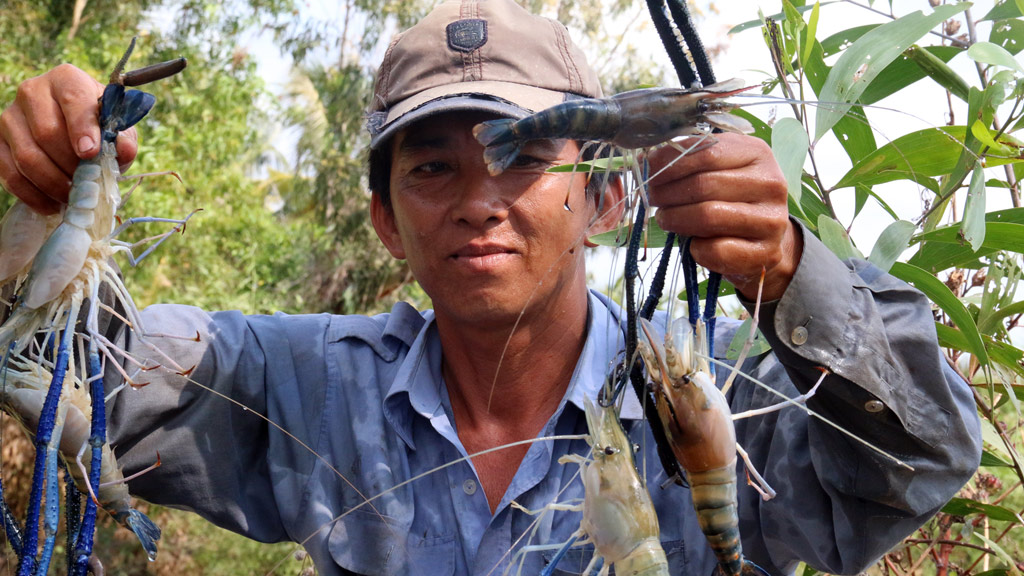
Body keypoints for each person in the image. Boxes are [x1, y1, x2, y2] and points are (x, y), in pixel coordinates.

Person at [0, 0, 981, 575]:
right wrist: (35, 216)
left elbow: (924, 455)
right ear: (386, 221)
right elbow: (67, 365)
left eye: (521, 161)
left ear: (603, 200)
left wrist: (789, 271)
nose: (480, 202)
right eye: (431, 168)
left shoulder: (714, 388)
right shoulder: (300, 380)